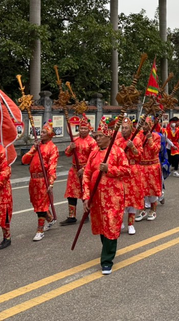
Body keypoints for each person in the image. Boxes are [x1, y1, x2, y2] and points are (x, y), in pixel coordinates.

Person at [83, 119, 130, 275]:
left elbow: (126, 170)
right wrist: (86, 196)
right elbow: (87, 174)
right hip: (96, 197)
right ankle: (107, 248)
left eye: (100, 136)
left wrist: (110, 168)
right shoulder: (94, 153)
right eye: (96, 136)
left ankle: (107, 260)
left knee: (111, 225)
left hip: (113, 196)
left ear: (109, 137)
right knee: (102, 226)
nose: (97, 139)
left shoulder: (118, 152)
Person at [21, 123, 59, 241]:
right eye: (41, 132)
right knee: (36, 203)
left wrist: (51, 182)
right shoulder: (36, 146)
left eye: (43, 132)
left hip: (43, 180)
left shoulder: (52, 147)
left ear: (49, 134)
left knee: (41, 206)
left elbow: (52, 166)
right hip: (33, 180)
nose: (41, 134)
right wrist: (33, 149)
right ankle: (50, 219)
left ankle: (40, 230)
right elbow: (24, 160)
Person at [61, 115, 98, 225]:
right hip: (74, 171)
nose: (82, 130)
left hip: (85, 171)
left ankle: (86, 213)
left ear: (89, 129)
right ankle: (71, 216)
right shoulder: (75, 140)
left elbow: (94, 159)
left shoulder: (92, 142)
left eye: (85, 128)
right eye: (81, 128)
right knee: (71, 194)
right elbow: (67, 154)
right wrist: (70, 148)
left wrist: (85, 169)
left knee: (85, 193)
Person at [115, 118, 144, 235]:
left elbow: (140, 156)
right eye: (123, 128)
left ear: (131, 129)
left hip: (133, 171)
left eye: (126, 128)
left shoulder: (136, 140)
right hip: (121, 171)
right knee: (121, 198)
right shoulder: (117, 141)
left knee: (132, 198)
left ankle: (131, 224)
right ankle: (120, 222)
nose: (124, 130)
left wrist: (132, 147)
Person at [136, 117, 163, 222]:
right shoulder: (139, 136)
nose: (144, 126)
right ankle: (142, 210)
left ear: (151, 125)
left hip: (152, 166)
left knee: (152, 189)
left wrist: (150, 139)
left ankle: (153, 210)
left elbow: (155, 150)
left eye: (147, 124)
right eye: (144, 124)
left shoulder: (156, 136)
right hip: (142, 166)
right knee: (141, 189)